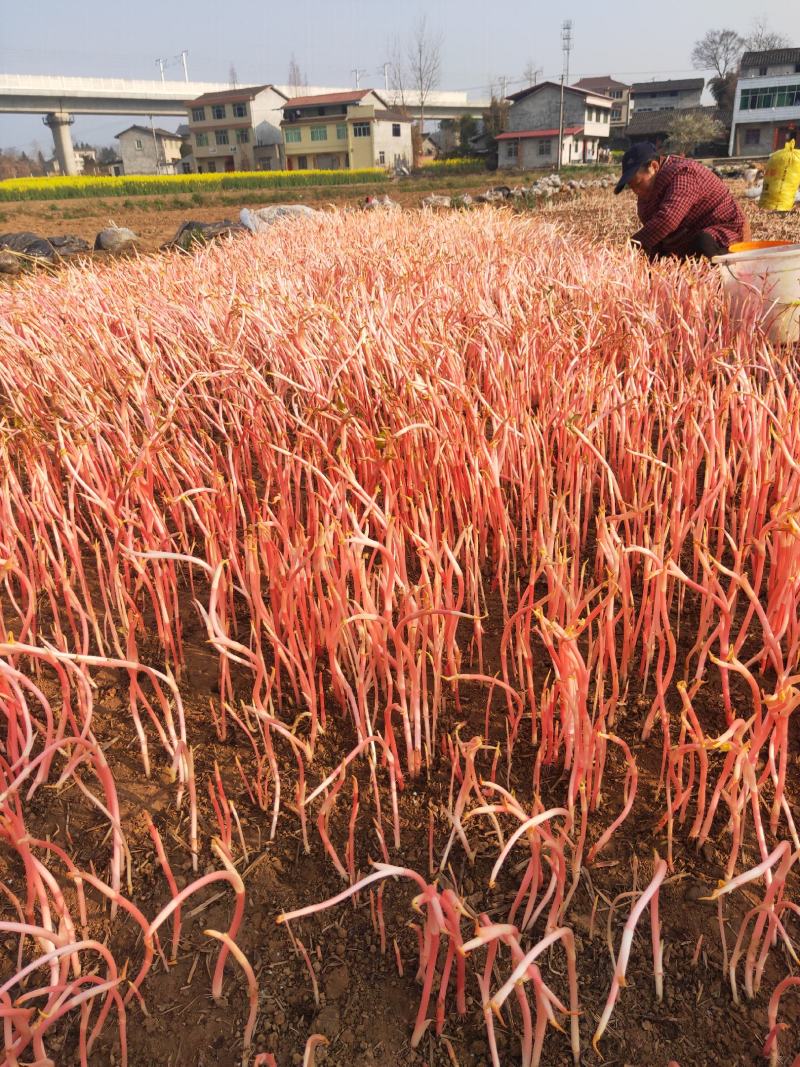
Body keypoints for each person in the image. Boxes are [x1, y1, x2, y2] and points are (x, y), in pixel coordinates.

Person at [615, 142, 749, 260]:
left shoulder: (684, 173)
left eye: (638, 184)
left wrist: (631, 246)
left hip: (725, 233)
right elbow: (652, 227)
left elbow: (667, 220)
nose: (636, 191)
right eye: (632, 187)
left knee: (702, 243)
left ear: (654, 166)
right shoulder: (648, 191)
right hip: (689, 235)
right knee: (655, 251)